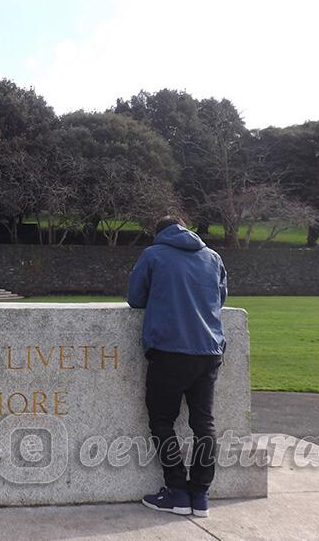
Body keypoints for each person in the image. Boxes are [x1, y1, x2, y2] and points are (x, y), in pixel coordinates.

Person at [127, 215, 227, 518]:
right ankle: (201, 495)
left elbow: (135, 298)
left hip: (169, 350)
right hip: (209, 350)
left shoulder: (153, 255)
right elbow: (220, 298)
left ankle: (177, 492)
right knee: (204, 424)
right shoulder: (212, 257)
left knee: (161, 421)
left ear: (159, 233)